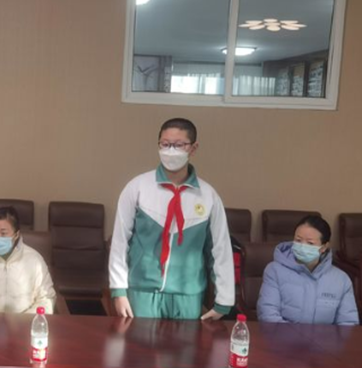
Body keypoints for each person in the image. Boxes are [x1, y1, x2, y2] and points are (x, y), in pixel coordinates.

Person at [109, 118, 234, 320]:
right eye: (165, 144)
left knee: (185, 342)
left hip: (188, 294)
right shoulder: (138, 187)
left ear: (193, 148)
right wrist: (118, 291)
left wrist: (224, 301)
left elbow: (220, 249)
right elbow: (119, 242)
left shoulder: (208, 195)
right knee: (138, 341)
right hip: (142, 291)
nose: (171, 151)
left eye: (179, 145)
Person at [257, 215, 358, 325]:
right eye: (298, 240)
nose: (302, 246)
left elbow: (348, 323)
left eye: (310, 243)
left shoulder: (341, 280)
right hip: (281, 335)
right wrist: (294, 335)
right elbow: (268, 315)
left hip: (325, 337)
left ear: (324, 247)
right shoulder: (274, 271)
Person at [0, 206, 56, 313]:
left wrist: (26, 319)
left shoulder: (35, 260)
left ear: (16, 235)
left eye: (3, 233)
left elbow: (46, 298)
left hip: (27, 319)